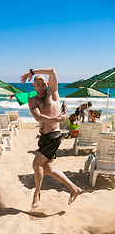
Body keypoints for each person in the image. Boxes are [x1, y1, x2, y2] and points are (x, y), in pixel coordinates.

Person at [20, 68, 81, 210]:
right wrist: (56, 118)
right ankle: (74, 188)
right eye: (37, 85)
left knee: (36, 165)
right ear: (34, 87)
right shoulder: (32, 101)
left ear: (47, 84)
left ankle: (36, 194)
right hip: (43, 138)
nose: (41, 87)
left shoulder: (53, 94)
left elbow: (52, 71)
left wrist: (32, 72)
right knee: (48, 169)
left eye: (43, 84)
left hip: (54, 136)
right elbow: (38, 117)